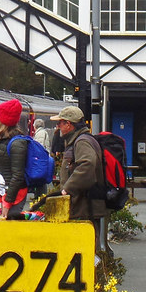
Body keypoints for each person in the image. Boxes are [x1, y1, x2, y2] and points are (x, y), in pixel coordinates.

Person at [51, 105, 107, 245]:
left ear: (69, 124)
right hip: (84, 205)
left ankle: (97, 267)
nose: (58, 126)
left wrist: (67, 188)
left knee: (85, 248)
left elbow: (87, 164)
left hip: (84, 206)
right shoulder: (80, 140)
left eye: (60, 123)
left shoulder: (81, 142)